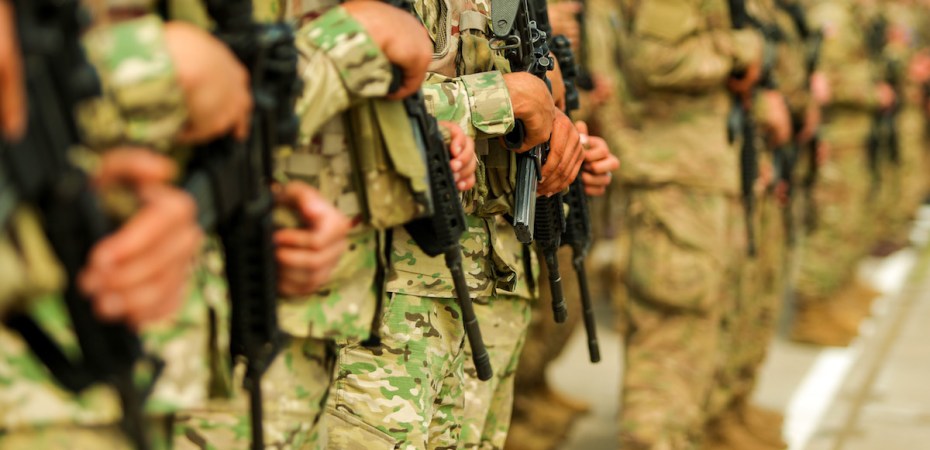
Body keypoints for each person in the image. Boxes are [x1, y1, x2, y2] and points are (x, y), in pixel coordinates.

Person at [616, 0, 763, 447]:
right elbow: (656, 60)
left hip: (700, 172)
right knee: (671, 327)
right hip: (673, 175)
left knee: (701, 323)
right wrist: (738, 50)